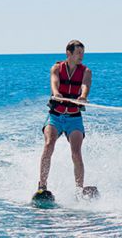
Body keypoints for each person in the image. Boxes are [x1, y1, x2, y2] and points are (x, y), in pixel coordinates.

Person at [35, 40, 92, 200]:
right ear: (69, 53)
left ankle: (79, 190)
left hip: (74, 118)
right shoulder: (56, 68)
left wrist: (83, 97)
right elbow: (54, 82)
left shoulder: (86, 71)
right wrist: (56, 93)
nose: (81, 56)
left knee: (76, 152)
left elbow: (85, 86)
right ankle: (42, 186)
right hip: (56, 116)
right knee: (48, 144)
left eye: (83, 53)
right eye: (78, 53)